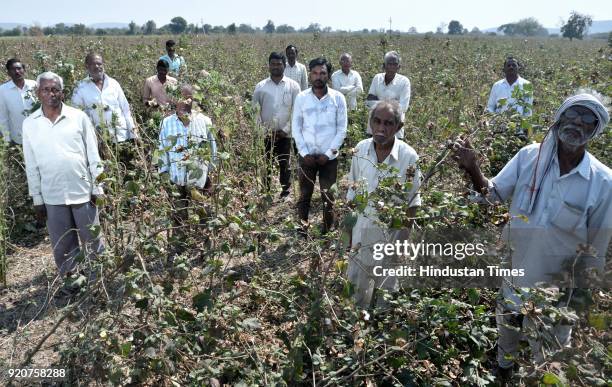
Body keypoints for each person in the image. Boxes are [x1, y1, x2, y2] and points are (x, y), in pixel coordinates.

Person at [452, 92, 611, 381]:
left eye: (587, 120)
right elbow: (492, 195)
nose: (577, 123)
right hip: (516, 269)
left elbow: (596, 248)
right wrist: (472, 167)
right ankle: (503, 369)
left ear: (595, 130)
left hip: (558, 289)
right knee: (507, 328)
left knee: (549, 353)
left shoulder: (603, 182)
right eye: (572, 115)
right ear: (559, 119)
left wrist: (581, 296)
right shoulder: (529, 157)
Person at [22, 72, 105, 284]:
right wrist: (37, 200)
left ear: (63, 92)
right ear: (38, 93)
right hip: (52, 195)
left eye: (55, 89)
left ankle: (100, 283)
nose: (51, 94)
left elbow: (93, 155)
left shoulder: (79, 117)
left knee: (93, 240)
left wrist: (97, 187)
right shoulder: (30, 124)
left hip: (83, 191)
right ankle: (72, 284)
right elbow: (31, 165)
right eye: (46, 90)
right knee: (63, 246)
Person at [346, 101, 421, 307]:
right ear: (370, 123)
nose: (381, 128)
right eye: (377, 121)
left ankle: (378, 334)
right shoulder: (360, 149)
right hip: (360, 237)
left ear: (398, 127)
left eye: (388, 123)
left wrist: (402, 243)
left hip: (390, 240)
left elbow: (412, 203)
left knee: (384, 300)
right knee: (356, 296)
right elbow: (351, 194)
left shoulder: (408, 157)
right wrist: (347, 236)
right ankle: (355, 330)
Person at [158, 84, 218, 258]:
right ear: (174, 99)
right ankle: (178, 250)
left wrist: (210, 173)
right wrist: (164, 174)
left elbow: (212, 149)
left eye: (190, 98)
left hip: (199, 178)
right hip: (176, 179)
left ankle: (208, 251)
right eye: (182, 97)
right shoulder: (166, 123)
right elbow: (161, 150)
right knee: (178, 216)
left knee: (204, 215)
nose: (186, 101)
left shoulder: (204, 121)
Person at [292, 57, 347, 234]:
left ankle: (327, 229)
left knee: (328, 195)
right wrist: (304, 153)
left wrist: (329, 154)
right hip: (306, 156)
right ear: (310, 75)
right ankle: (303, 227)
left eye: (322, 73)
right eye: (315, 73)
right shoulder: (301, 98)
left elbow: (341, 130)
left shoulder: (338, 98)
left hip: (328, 159)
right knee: (305, 194)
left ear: (328, 76)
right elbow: (296, 128)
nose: (318, 76)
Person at [71, 53, 137, 162]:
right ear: (86, 66)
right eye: (93, 64)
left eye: (99, 64)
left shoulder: (113, 84)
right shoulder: (80, 87)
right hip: (98, 140)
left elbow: (125, 109)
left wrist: (133, 133)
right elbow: (77, 114)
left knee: (126, 169)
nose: (97, 66)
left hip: (121, 136)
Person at [252, 52, 301, 198]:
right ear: (268, 65)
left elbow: (297, 110)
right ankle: (266, 192)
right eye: (272, 64)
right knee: (265, 164)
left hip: (285, 135)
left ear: (284, 65)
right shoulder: (260, 87)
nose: (275, 67)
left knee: (285, 164)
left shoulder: (293, 86)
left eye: (279, 64)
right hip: (265, 135)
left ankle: (285, 192)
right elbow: (254, 111)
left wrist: (285, 130)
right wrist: (263, 131)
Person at [366, 51, 411, 138]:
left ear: (399, 67)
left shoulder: (404, 82)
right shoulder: (377, 78)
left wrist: (379, 104)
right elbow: (369, 102)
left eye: (395, 64)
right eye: (389, 64)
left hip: (394, 129)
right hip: (375, 127)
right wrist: (394, 103)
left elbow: (403, 107)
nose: (392, 67)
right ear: (384, 66)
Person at [0, 58, 37, 145]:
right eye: (13, 69)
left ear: (24, 70)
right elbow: (2, 116)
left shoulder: (34, 85)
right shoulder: (2, 90)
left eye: (19, 68)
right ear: (8, 73)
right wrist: (7, 139)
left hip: (38, 135)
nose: (17, 72)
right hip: (18, 138)